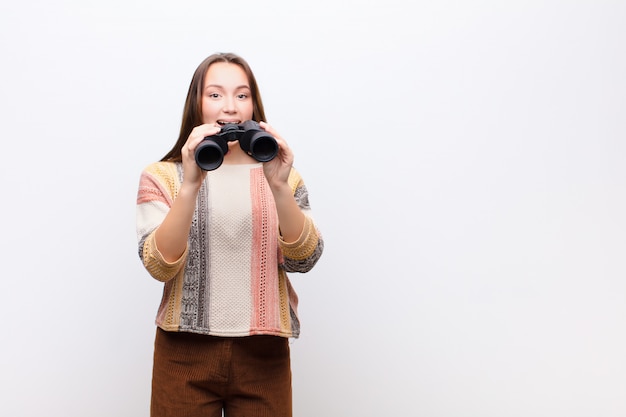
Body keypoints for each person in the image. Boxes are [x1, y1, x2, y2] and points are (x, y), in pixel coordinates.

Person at [135, 52, 324, 417]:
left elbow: (305, 258)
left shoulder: (283, 176)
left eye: (242, 95)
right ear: (197, 103)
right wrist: (190, 184)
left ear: (254, 104)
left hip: (264, 354)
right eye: (215, 94)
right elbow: (159, 266)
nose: (231, 107)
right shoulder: (162, 177)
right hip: (183, 354)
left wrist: (280, 186)